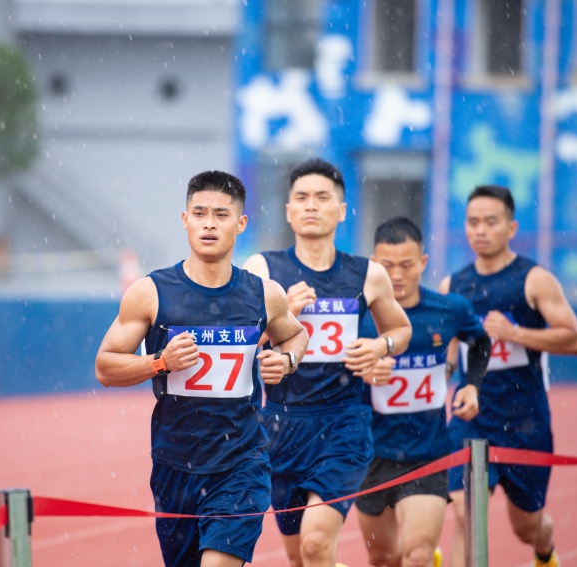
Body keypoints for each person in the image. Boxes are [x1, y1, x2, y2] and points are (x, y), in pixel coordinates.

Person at [95, 170, 309, 567]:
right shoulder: (151, 292)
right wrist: (160, 362)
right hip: (176, 465)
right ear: (185, 220)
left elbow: (296, 336)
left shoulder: (264, 294)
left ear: (241, 223)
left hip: (242, 462)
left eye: (221, 214)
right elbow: (105, 367)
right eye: (200, 213)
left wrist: (288, 360)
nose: (209, 223)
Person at [242, 158, 412, 567]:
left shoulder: (368, 274)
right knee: (301, 556)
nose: (311, 205)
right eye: (301, 198)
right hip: (281, 425)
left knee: (316, 544)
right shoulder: (262, 271)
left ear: (342, 210)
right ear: (288, 211)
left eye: (322, 197)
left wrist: (380, 346)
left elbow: (401, 330)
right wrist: (282, 317)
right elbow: (240, 347)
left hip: (343, 423)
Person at [441, 185, 577, 567]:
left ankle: (544, 549)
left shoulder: (534, 279)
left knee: (527, 527)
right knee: (465, 515)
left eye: (490, 221)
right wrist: (441, 372)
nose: (480, 230)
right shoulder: (453, 287)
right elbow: (449, 355)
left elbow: (573, 339)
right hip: (473, 419)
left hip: (526, 423)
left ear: (511, 227)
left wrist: (515, 333)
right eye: (473, 222)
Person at [354, 217, 491, 567]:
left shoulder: (449, 309)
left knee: (416, 555)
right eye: (388, 266)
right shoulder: (358, 315)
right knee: (385, 559)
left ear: (424, 263)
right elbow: (332, 373)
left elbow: (480, 343)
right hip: (371, 454)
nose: (397, 275)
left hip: (427, 452)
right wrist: (362, 374)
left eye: (407, 265)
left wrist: (471, 385)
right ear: (374, 264)